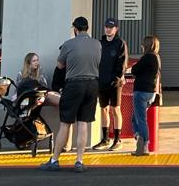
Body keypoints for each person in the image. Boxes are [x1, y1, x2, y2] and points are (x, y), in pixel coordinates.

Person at [39, 16, 101, 174]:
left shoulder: (68, 44)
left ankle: (54, 160)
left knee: (66, 123)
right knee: (83, 123)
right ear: (87, 28)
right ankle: (79, 161)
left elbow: (60, 64)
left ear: (75, 28)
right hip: (92, 84)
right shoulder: (97, 44)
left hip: (74, 84)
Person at [92, 17, 128, 151]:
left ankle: (117, 139)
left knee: (115, 109)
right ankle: (105, 139)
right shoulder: (99, 43)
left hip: (115, 83)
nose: (108, 29)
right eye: (106, 26)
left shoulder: (120, 43)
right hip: (101, 82)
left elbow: (123, 63)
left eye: (111, 27)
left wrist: (118, 78)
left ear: (116, 29)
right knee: (103, 109)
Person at [129, 35, 161, 157]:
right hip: (150, 92)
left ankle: (144, 144)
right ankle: (140, 140)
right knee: (135, 118)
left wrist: (135, 66)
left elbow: (134, 70)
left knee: (141, 119)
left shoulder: (147, 57)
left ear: (146, 45)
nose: (141, 46)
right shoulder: (157, 58)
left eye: (143, 44)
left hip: (141, 91)